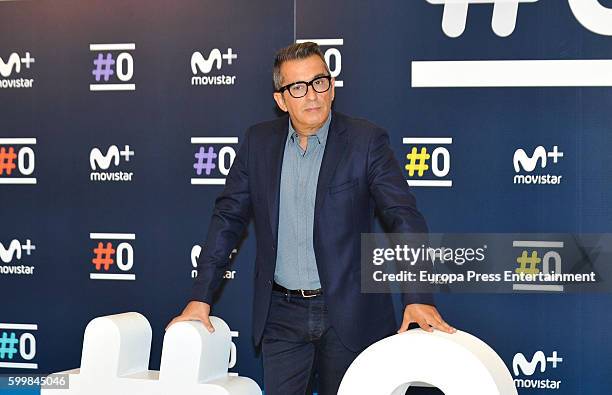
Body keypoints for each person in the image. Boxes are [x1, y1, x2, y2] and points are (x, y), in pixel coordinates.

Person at [168, 42, 455, 395]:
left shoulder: (366, 141)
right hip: (281, 317)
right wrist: (201, 296)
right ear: (281, 100)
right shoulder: (257, 143)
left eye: (320, 82)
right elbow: (227, 218)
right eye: (298, 88)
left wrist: (418, 295)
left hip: (350, 315)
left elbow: (403, 217)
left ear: (332, 87)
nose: (312, 96)